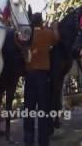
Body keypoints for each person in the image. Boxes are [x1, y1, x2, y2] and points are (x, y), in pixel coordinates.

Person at [23, 13, 59, 146]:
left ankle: (28, 140)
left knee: (29, 109)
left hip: (30, 75)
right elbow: (57, 38)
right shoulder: (47, 33)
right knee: (44, 110)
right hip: (43, 76)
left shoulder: (28, 35)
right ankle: (43, 141)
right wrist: (54, 27)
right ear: (42, 22)